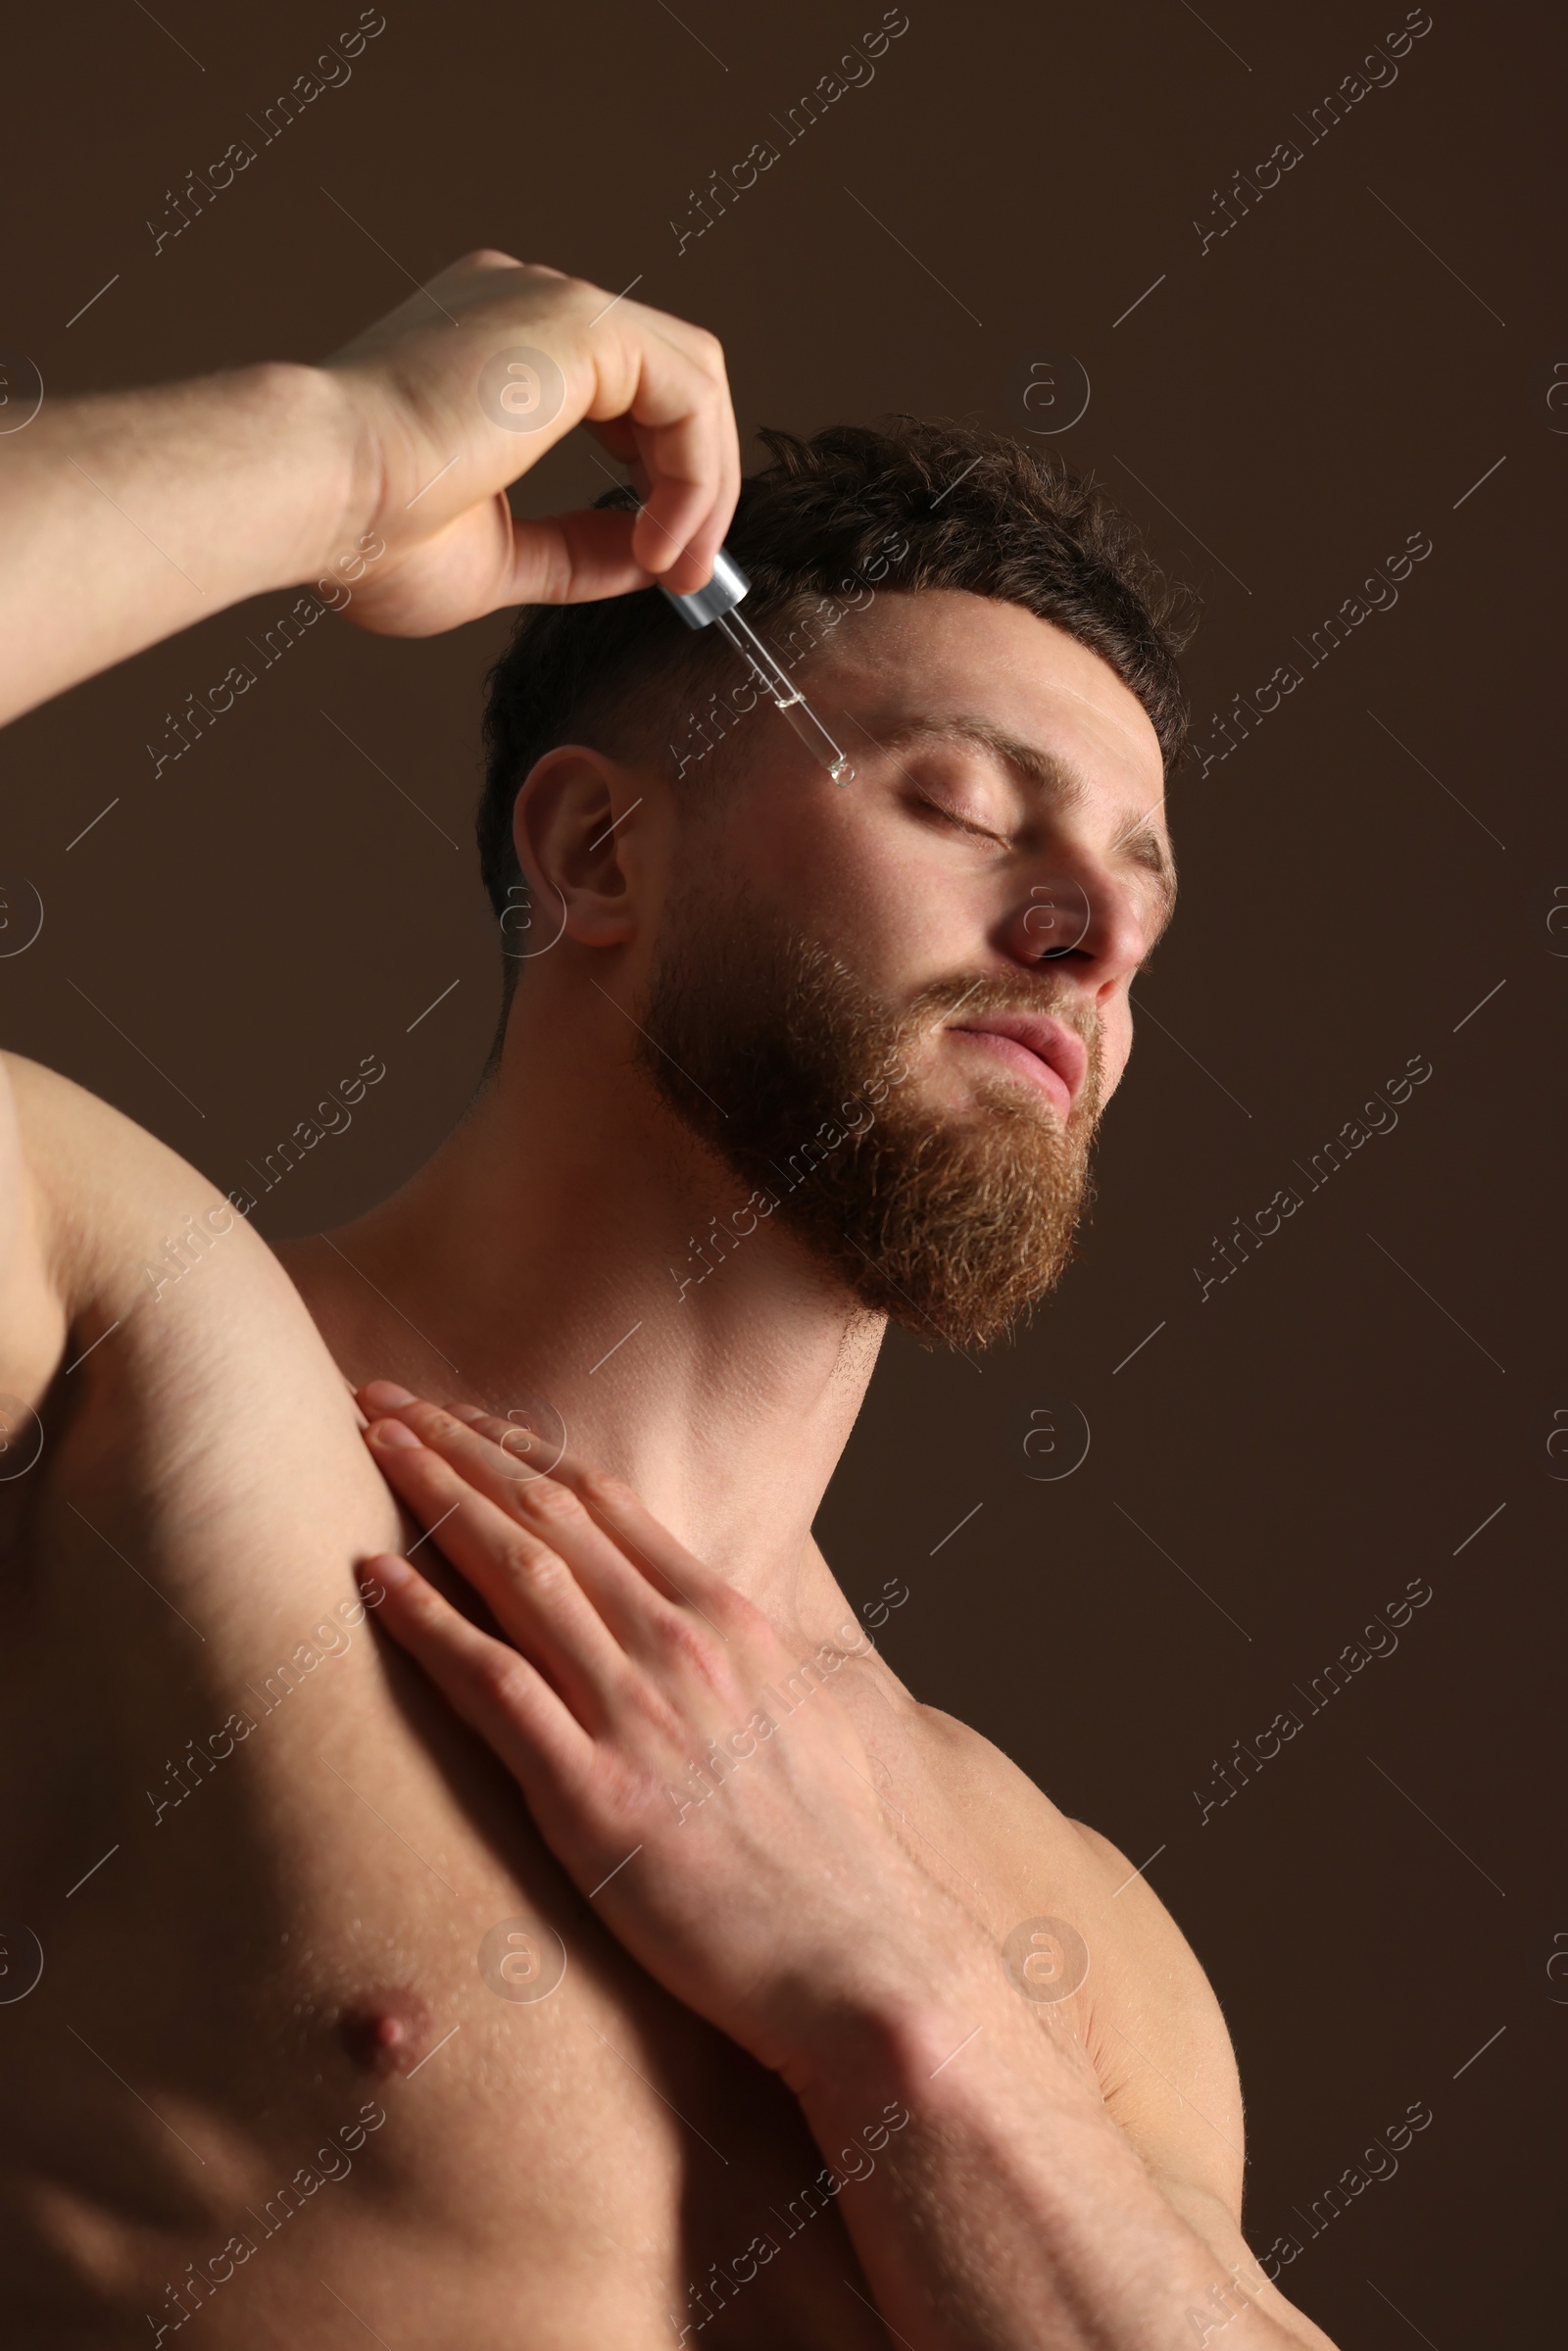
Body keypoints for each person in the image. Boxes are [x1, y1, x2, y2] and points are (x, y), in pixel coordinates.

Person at [0, 252, 1337, 2347]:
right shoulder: (127, 1367)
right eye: (962, 807)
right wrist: (329, 460)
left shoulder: (1057, 1922)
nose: (1083, 936)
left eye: (1134, 905)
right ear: (600, 858)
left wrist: (899, 2011)